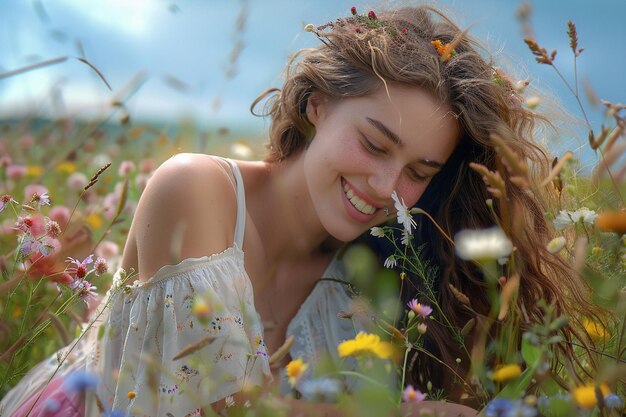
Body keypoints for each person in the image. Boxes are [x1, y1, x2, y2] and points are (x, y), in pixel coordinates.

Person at [0, 3, 597, 417]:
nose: (386, 185)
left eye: (419, 173)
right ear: (317, 105)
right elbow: (219, 405)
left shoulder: (372, 279)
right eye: (373, 143)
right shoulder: (197, 189)